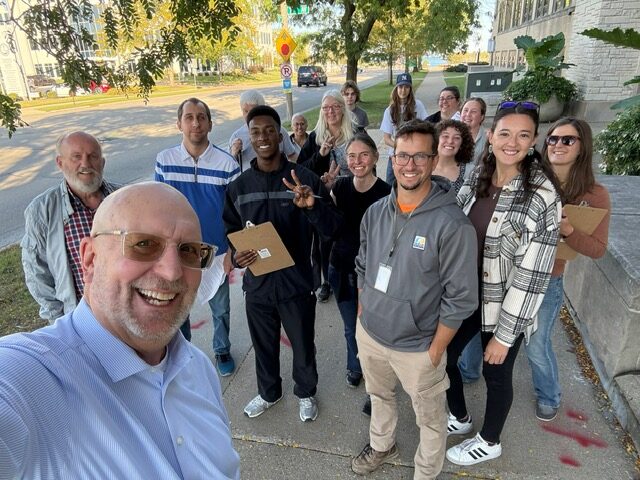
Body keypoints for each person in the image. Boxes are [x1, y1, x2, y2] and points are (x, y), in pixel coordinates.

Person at [1, 182, 240, 479]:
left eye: (189, 251)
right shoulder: (34, 377)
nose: (172, 271)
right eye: (143, 244)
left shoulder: (199, 368)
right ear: (90, 259)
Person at [351, 120, 478, 478]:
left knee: (432, 421)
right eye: (402, 156)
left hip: (419, 348)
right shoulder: (375, 212)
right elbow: (362, 264)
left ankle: (425, 472)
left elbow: (461, 298)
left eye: (419, 156)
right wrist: (363, 312)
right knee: (380, 398)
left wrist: (435, 350)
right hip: (371, 334)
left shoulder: (452, 224)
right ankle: (382, 445)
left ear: (434, 160)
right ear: (392, 160)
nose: (410, 165)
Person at [445, 101, 562, 466]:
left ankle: (490, 439)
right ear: (491, 136)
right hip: (465, 295)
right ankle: (460, 418)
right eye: (505, 133)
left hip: (503, 304)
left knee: (496, 372)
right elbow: (452, 219)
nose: (512, 142)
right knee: (443, 356)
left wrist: (504, 335)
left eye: (523, 135)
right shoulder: (477, 174)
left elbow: (532, 277)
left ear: (534, 141)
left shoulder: (542, 196)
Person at [223, 105, 342, 423]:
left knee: (303, 345)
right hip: (258, 285)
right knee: (263, 346)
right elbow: (231, 232)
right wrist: (236, 256)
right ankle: (269, 392)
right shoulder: (239, 187)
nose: (262, 137)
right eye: (255, 131)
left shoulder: (302, 179)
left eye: (269, 130)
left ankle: (305, 393)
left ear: (280, 134)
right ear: (249, 138)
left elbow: (332, 228)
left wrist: (310, 207)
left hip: (296, 284)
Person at [525, 117, 610, 421]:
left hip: (548, 280)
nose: (557, 145)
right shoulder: (528, 177)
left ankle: (549, 394)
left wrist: (570, 230)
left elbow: (598, 249)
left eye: (567, 140)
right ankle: (471, 373)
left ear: (582, 146)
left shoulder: (594, 194)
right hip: (513, 272)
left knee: (536, 344)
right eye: (552, 139)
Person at [155, 97, 240, 376]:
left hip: (215, 251)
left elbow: (235, 213)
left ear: (210, 124)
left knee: (221, 307)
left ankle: (222, 349)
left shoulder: (226, 164)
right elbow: (159, 210)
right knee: (177, 306)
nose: (195, 122)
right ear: (178, 123)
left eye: (201, 117)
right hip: (178, 251)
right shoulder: (165, 161)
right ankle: (183, 353)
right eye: (189, 117)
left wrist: (232, 251)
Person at [21, 131, 120, 324]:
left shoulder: (124, 198)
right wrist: (61, 322)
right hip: (80, 321)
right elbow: (37, 274)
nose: (86, 164)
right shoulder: (42, 211)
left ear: (103, 162)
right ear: (60, 163)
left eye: (93, 156)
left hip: (127, 315)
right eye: (76, 157)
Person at [328, 133, 391, 390]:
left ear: (375, 156)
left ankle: (377, 377)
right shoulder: (339, 187)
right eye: (351, 156)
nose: (357, 161)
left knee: (374, 330)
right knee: (350, 326)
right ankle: (355, 366)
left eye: (363, 155)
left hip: (374, 275)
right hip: (341, 269)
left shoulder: (387, 193)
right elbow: (328, 226)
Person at [299, 89, 355, 302]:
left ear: (343, 108)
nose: (330, 111)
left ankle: (349, 274)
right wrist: (320, 154)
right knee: (324, 242)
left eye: (335, 106)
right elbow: (302, 169)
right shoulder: (315, 137)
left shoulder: (355, 133)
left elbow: (369, 165)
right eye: (325, 108)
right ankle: (325, 281)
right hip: (323, 200)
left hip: (350, 195)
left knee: (349, 237)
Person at [229, 89, 299, 171]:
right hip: (250, 181)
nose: (248, 115)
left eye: (252, 111)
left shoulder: (278, 131)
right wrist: (234, 153)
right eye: (245, 111)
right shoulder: (236, 137)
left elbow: (292, 155)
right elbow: (229, 166)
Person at [381, 73, 428, 185]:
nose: (403, 90)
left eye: (406, 87)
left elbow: (426, 127)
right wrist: (401, 148)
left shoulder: (418, 106)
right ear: (396, 88)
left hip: (415, 154)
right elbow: (387, 139)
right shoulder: (390, 110)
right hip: (396, 155)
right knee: (390, 185)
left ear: (410, 89)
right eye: (400, 87)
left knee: (413, 183)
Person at [433, 119, 475, 193]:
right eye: (445, 136)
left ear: (462, 144)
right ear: (436, 139)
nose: (450, 141)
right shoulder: (421, 166)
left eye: (456, 138)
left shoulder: (471, 172)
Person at [460, 97, 488, 165]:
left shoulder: (488, 138)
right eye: (465, 110)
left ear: (482, 117)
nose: (468, 114)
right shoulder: (450, 135)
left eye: (473, 111)